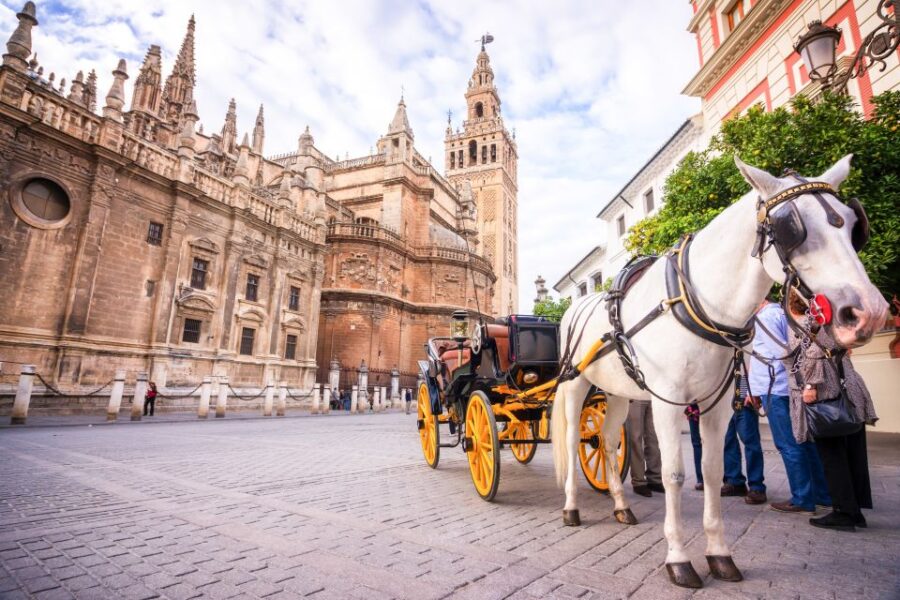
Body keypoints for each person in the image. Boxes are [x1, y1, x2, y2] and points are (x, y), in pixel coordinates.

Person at [786, 291, 878, 531]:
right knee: (852, 452)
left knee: (832, 454)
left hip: (828, 391)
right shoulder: (834, 318)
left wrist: (809, 385)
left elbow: (812, 353)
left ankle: (844, 513)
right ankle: (855, 510)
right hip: (847, 385)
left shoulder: (811, 321)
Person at [750, 293, 830, 515]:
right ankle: (821, 494)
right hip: (785, 387)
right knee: (804, 441)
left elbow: (781, 352)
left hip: (776, 388)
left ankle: (802, 498)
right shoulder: (780, 313)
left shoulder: (765, 318)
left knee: (788, 444)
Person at [721, 364, 767, 504]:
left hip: (742, 386)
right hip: (724, 393)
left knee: (750, 440)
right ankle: (734, 481)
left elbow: (751, 362)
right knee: (727, 440)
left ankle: (756, 486)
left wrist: (750, 391)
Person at [627, 399, 664, 496]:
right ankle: (638, 481)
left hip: (652, 394)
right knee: (635, 438)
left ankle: (655, 479)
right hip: (635, 393)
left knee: (654, 438)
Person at [684, 403, 703, 491]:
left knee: (713, 442)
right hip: (693, 406)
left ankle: (717, 476)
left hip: (710, 403)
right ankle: (700, 478)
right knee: (696, 443)